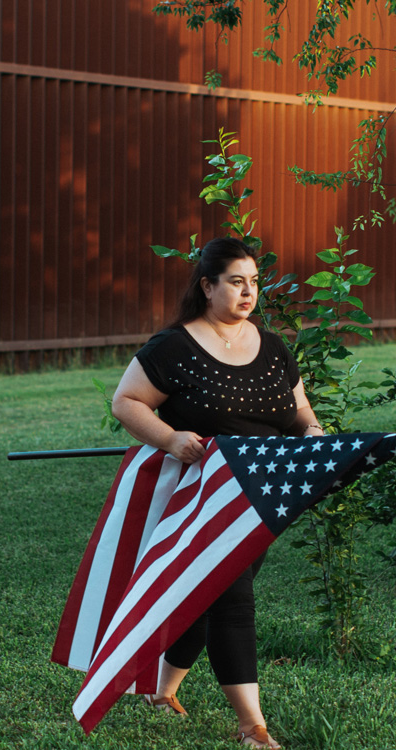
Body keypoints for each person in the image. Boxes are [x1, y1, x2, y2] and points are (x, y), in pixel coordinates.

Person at [110, 237, 324, 750]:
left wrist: (314, 435)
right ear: (207, 286)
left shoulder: (271, 346)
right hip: (202, 496)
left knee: (205, 596)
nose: (248, 292)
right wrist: (169, 437)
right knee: (233, 599)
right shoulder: (174, 347)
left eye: (253, 282)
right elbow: (127, 402)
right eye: (236, 281)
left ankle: (161, 692)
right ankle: (253, 726)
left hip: (262, 497)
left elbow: (299, 411)